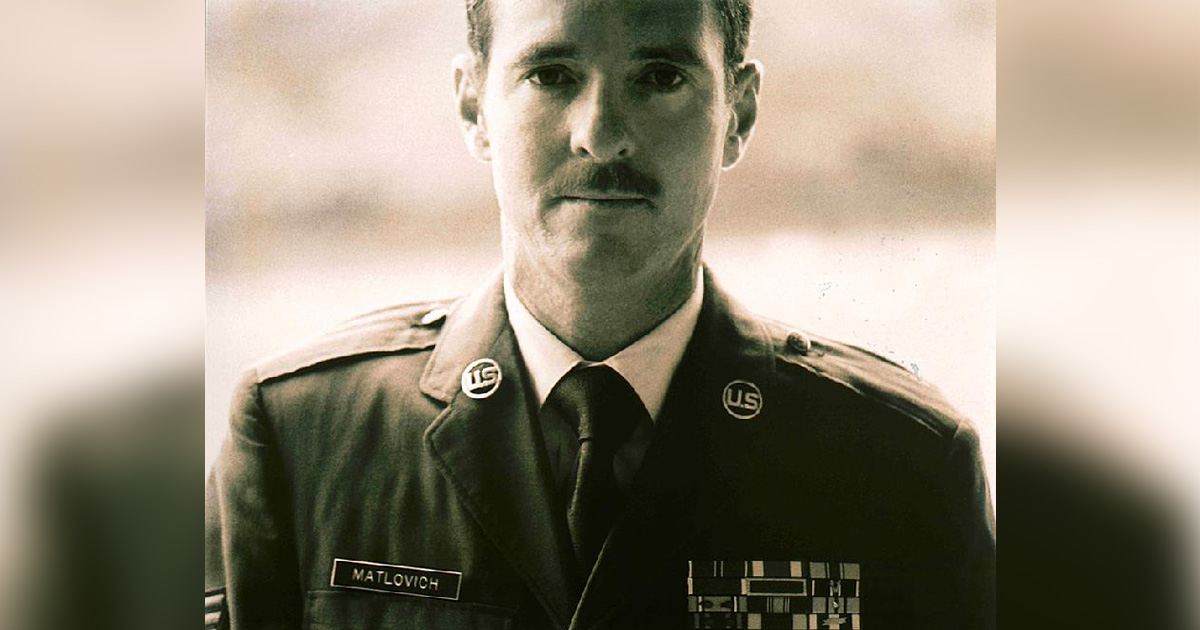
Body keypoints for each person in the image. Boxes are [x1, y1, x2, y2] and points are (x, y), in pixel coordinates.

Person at [205, 0, 996, 628]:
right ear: (474, 107)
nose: (603, 135)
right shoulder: (303, 440)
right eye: (551, 75)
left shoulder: (900, 464)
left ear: (739, 113)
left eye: (660, 76)